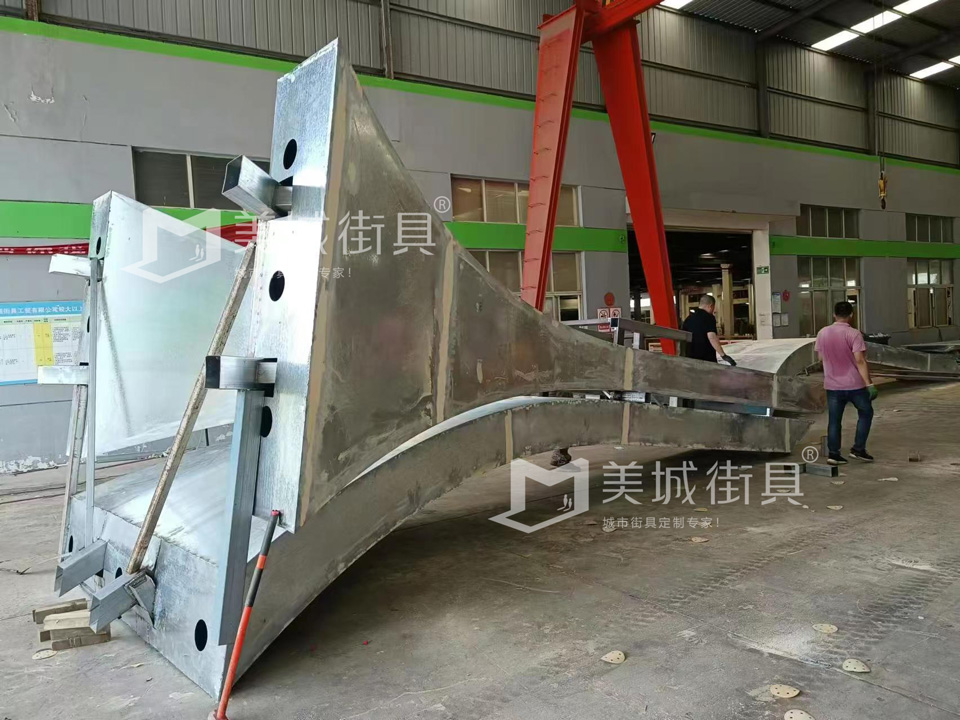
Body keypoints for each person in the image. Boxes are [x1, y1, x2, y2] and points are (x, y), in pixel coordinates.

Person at [815, 301, 878, 465]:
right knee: (866, 413)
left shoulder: (822, 333)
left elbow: (820, 358)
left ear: (834, 315)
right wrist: (869, 384)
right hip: (854, 385)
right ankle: (858, 449)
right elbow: (860, 360)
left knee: (834, 420)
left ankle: (834, 454)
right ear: (851, 315)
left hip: (832, 385)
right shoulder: (854, 334)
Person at [681, 294, 737, 366]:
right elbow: (712, 337)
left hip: (690, 358)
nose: (714, 310)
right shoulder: (709, 317)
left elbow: (683, 339)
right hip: (706, 358)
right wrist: (723, 355)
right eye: (714, 307)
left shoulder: (688, 319)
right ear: (710, 306)